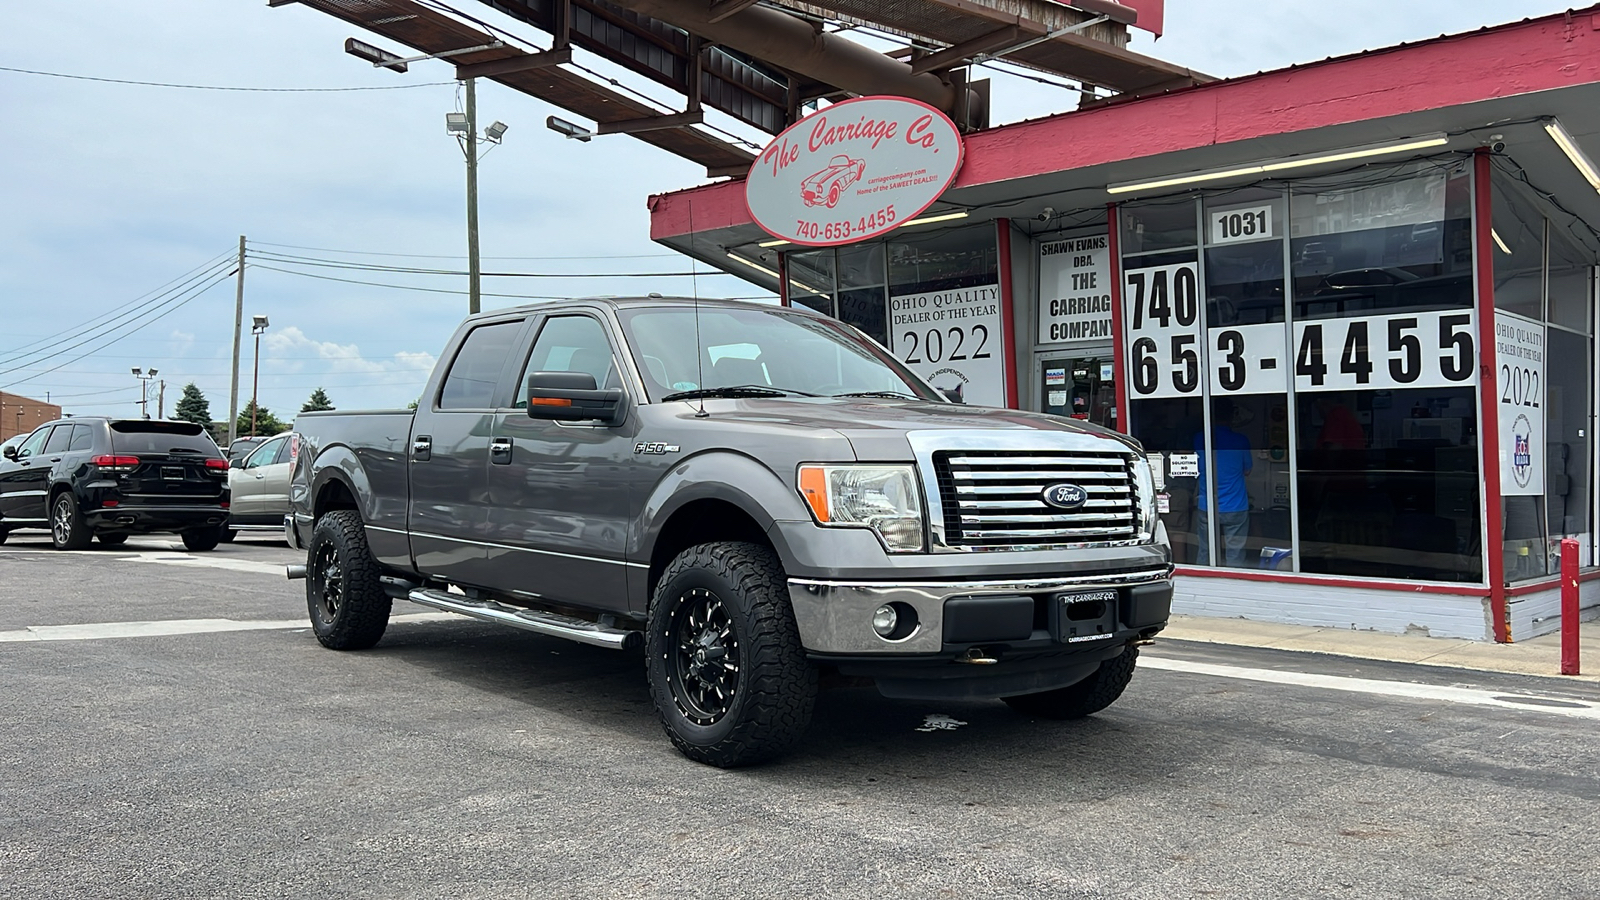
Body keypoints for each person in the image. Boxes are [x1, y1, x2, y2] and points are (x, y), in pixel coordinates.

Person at [1195, 398, 1253, 568]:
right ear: (1232, 416)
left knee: (1205, 551)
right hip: (1235, 506)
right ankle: (1234, 587)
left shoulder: (1200, 439)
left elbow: (1195, 468)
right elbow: (1247, 470)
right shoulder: (1241, 440)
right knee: (1235, 555)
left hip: (1207, 505)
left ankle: (1201, 585)